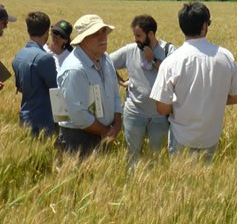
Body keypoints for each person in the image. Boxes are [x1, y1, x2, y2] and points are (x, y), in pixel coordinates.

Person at [150, 2, 237, 161]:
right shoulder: (225, 57)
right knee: (206, 184)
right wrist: (213, 100)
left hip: (181, 137)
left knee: (180, 184)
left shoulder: (171, 62)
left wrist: (185, 104)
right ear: (204, 26)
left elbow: (161, 108)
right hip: (211, 137)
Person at [110, 15, 175, 165]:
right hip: (134, 113)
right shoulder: (130, 50)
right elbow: (106, 61)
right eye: (134, 35)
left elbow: (173, 73)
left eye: (138, 35)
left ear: (151, 34)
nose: (135, 39)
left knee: (155, 157)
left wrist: (153, 59)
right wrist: (121, 81)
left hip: (159, 116)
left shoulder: (167, 50)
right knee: (132, 155)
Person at [56, 15, 122, 156]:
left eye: (104, 31)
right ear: (83, 39)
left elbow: (115, 93)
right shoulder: (74, 69)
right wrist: (106, 132)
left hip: (104, 134)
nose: (103, 37)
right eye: (95, 34)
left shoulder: (106, 59)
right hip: (79, 138)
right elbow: (78, 114)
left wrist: (117, 123)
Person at [12, 12, 58, 136]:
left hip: (25, 114)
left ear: (28, 30)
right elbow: (56, 90)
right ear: (47, 32)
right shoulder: (45, 58)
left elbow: (20, 88)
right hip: (43, 119)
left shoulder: (19, 55)